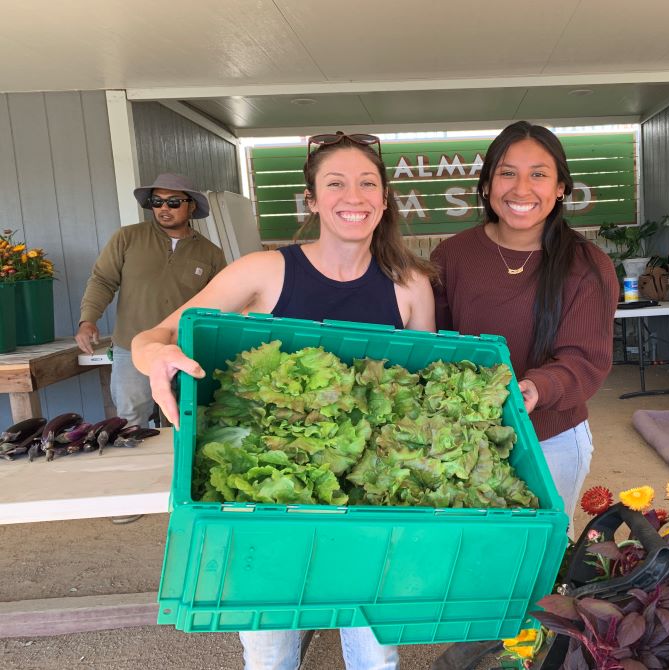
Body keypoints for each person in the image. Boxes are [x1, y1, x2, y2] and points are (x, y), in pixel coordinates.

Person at [132, 132, 435, 670]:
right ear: (312, 200)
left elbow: (419, 399)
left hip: (370, 502)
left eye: (368, 184)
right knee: (271, 652)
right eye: (335, 183)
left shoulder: (409, 284)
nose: (354, 196)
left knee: (376, 653)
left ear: (385, 199)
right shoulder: (263, 272)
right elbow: (156, 335)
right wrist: (153, 357)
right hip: (270, 503)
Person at [431, 121, 618, 528]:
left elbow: (585, 360)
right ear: (486, 184)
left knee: (543, 560)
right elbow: (433, 342)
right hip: (464, 438)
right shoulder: (452, 255)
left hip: (550, 437)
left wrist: (536, 388)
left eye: (538, 174)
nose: (521, 189)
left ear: (560, 188)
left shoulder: (587, 265)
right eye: (507, 173)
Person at [76, 173, 227, 427]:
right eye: (157, 202)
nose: (164, 208)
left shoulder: (211, 254)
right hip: (131, 347)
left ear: (191, 206)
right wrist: (88, 319)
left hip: (186, 349)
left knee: (185, 419)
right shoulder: (127, 238)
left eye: (173, 202)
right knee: (130, 420)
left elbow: (222, 304)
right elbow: (102, 280)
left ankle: (175, 467)